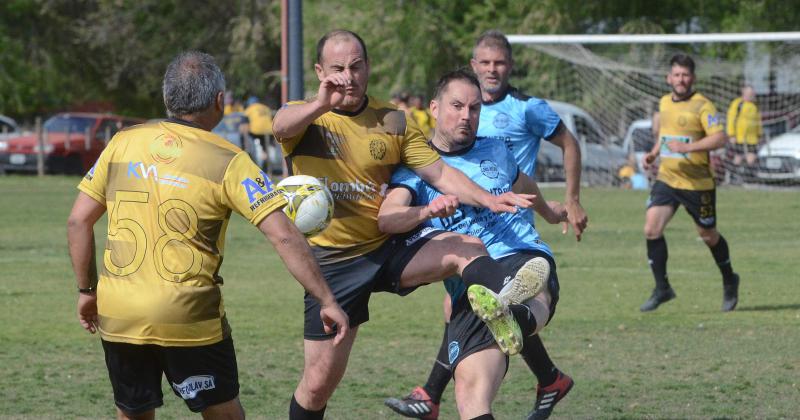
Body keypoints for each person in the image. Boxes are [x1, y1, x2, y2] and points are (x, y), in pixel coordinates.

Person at [271, 30, 539, 420]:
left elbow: (441, 173)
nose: (348, 76)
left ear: (368, 68)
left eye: (356, 66)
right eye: (338, 68)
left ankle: (507, 307)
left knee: (467, 248)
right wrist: (319, 104)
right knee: (317, 385)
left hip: (389, 245)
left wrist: (489, 199)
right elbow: (280, 127)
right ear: (319, 71)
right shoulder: (304, 116)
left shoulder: (393, 119)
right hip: (332, 265)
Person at [66, 51, 348, 419]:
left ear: (168, 99)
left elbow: (77, 222)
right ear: (219, 101)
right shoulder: (229, 159)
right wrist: (326, 298)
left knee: (133, 412)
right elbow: (283, 236)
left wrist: (88, 292)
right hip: (188, 317)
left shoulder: (123, 142)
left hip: (119, 313)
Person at [386, 30, 585, 420]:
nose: (466, 116)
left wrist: (548, 211)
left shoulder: (495, 147)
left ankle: (515, 314)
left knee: (534, 279)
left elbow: (523, 183)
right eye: (457, 106)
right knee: (471, 401)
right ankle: (537, 362)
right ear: (434, 107)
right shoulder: (416, 169)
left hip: (520, 254)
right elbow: (389, 218)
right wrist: (426, 213)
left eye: (474, 108)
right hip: (469, 290)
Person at [640, 53, 740, 312]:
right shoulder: (663, 102)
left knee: (708, 235)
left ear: (692, 78)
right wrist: (654, 152)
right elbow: (665, 136)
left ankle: (730, 279)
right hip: (668, 179)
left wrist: (690, 147)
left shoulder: (702, 105)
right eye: (677, 75)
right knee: (651, 228)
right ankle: (662, 288)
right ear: (669, 78)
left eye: (685, 75)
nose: (681, 79)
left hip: (698, 185)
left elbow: (719, 138)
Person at [726, 85, 762, 182]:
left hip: (752, 138)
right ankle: (732, 177)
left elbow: (758, 122)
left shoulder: (754, 106)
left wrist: (759, 134)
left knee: (751, 159)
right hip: (739, 137)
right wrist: (731, 134)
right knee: (738, 157)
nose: (752, 95)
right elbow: (731, 119)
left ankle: (748, 178)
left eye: (753, 94)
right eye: (750, 93)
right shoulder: (737, 104)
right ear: (744, 93)